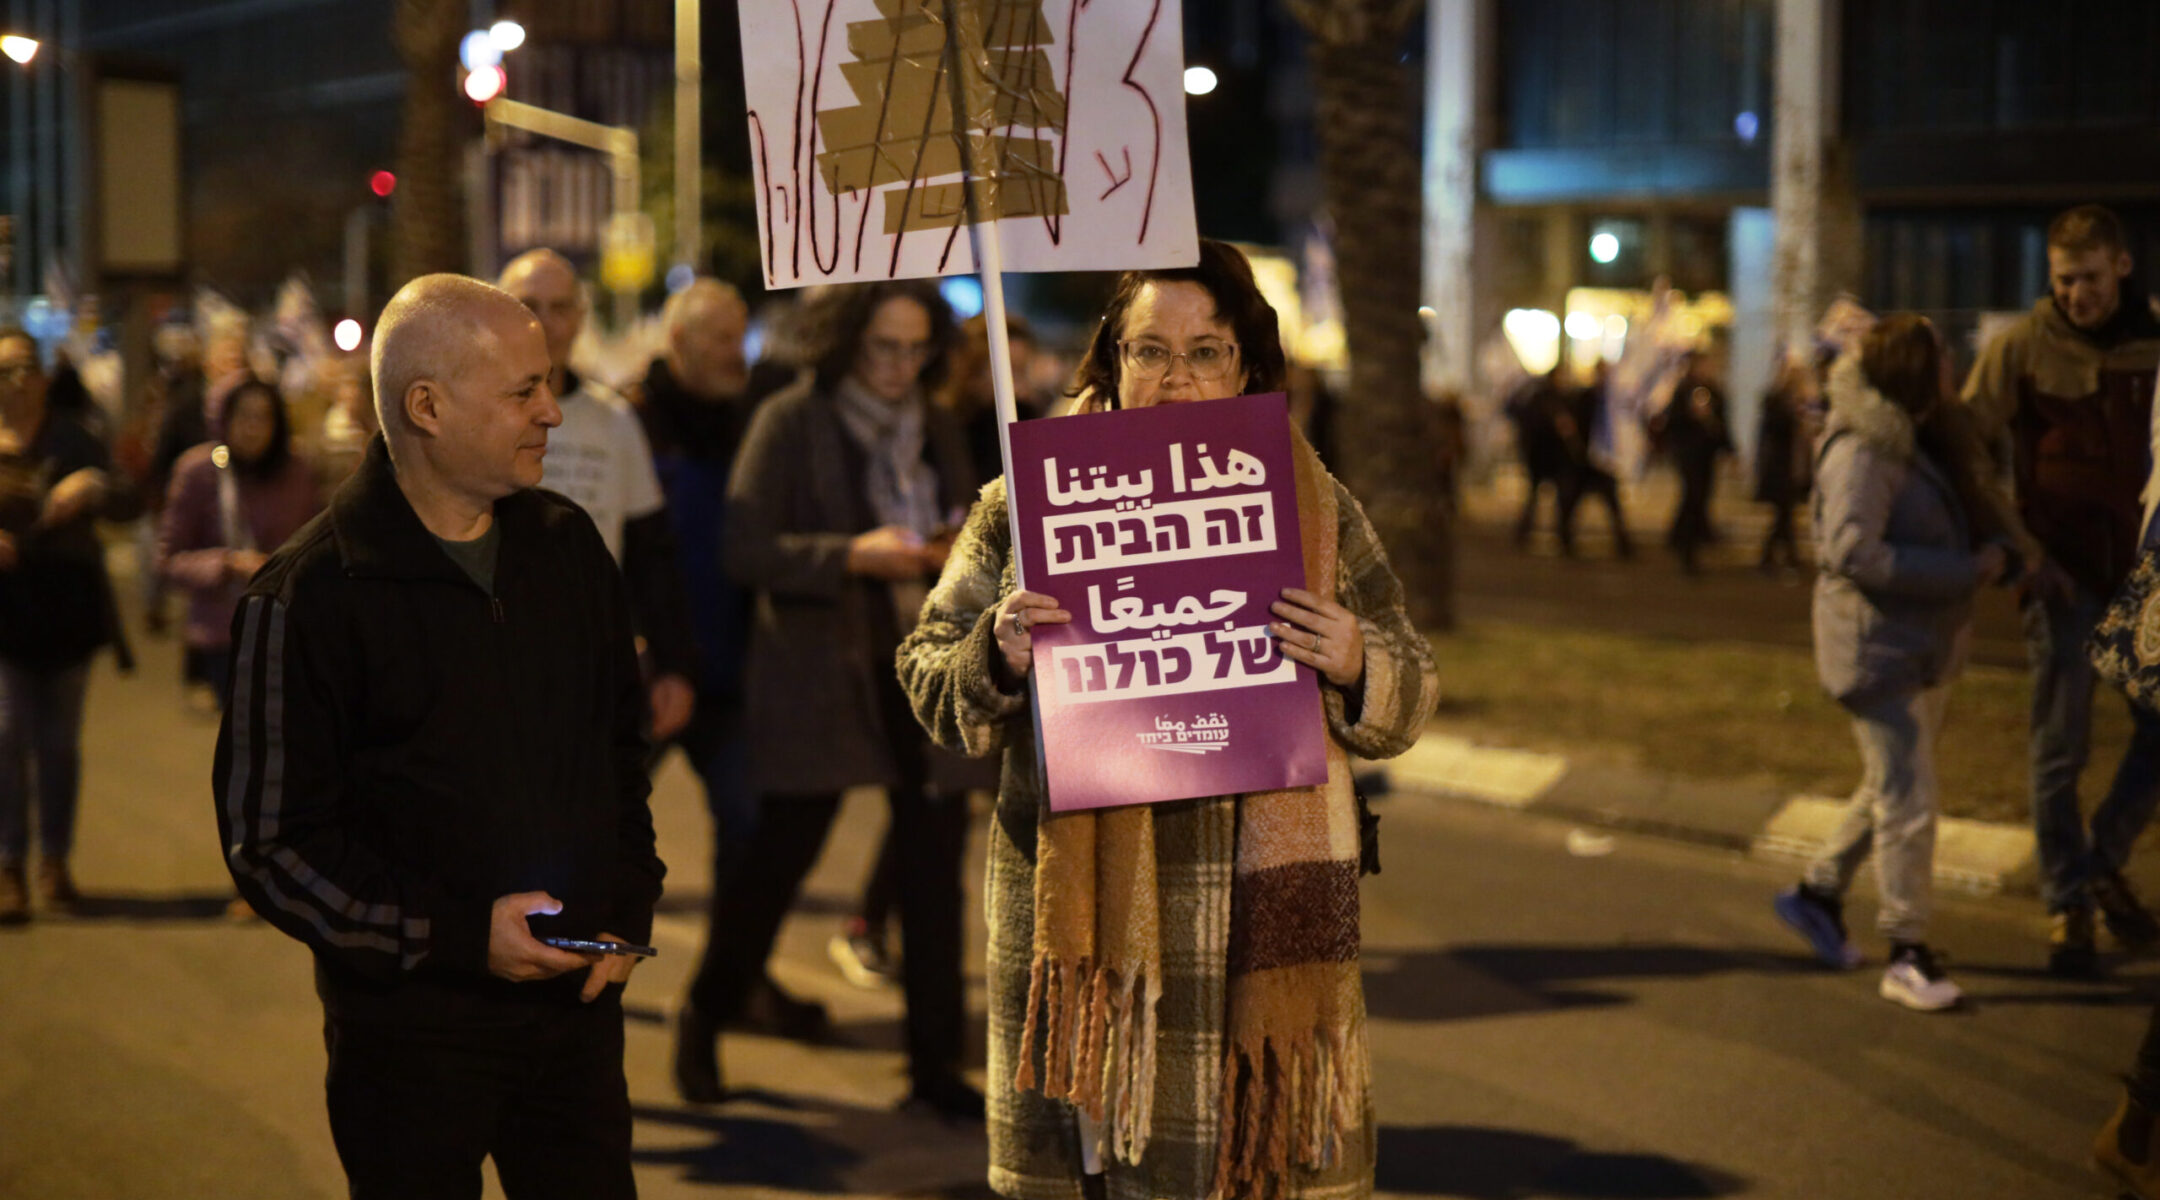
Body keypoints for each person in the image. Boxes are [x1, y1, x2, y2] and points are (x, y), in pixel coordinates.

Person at [897, 239, 1439, 1200]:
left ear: (1248, 369)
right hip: (1091, 959)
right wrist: (996, 651)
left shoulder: (1315, 507)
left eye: (1206, 352)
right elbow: (929, 677)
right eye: (1150, 350)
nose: (1176, 379)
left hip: (1250, 938)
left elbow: (1413, 690)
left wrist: (1357, 660)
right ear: (1110, 361)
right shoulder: (1030, 505)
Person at [213, 274, 664, 1198]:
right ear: (426, 406)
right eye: (522, 392)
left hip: (573, 1021)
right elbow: (271, 846)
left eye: (551, 384)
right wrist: (455, 936)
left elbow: (620, 748)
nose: (554, 413)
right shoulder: (308, 596)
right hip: (410, 1044)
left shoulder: (567, 544)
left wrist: (627, 904)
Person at [675, 279, 983, 1118]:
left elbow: (974, 533)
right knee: (780, 854)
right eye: (885, 346)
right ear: (847, 339)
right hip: (820, 671)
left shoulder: (938, 424)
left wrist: (957, 549)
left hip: (927, 671)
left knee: (931, 870)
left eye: (917, 348)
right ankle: (705, 1015)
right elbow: (745, 548)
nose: (900, 365)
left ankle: (931, 1064)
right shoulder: (793, 421)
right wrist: (851, 555)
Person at [1773, 315, 2013, 1011]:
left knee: (1893, 785)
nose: (1953, 369)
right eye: (1942, 360)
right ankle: (1906, 953)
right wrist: (1964, 570)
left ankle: (1817, 893)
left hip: (1912, 643)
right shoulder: (1865, 449)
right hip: (1874, 649)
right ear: (1916, 373)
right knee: (1910, 799)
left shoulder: (1915, 435)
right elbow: (1852, 552)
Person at [1960, 204, 2160, 976]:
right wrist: (2019, 544)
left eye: (2088, 278)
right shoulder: (2022, 348)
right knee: (2058, 753)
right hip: (2064, 577)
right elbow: (1969, 444)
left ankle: (2099, 861)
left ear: (2122, 266)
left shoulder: (2153, 344)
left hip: (2145, 581)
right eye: (2062, 280)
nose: (2076, 294)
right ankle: (2066, 907)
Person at [497, 249, 696, 750]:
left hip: (590, 664)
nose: (545, 323)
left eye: (560, 307)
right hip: (494, 657)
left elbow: (651, 550)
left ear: (581, 317)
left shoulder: (616, 421)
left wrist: (673, 665)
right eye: (528, 306)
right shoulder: (478, 419)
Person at [0, 328, 137, 923]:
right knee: (6, 738)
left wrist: (94, 485)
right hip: (3, 618)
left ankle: (54, 861)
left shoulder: (73, 438)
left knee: (58, 747)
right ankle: (9, 866)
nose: (18, 380)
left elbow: (129, 502)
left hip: (67, 613)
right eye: (5, 370)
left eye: (27, 367)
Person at [159, 378, 325, 712]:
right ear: (225, 419)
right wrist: (228, 564)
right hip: (225, 635)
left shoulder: (297, 472)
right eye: (244, 416)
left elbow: (319, 544)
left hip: (289, 630)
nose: (253, 428)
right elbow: (166, 561)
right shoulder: (198, 472)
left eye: (264, 417)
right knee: (246, 738)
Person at [1649, 350, 1732, 574]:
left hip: (1706, 454)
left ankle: (1680, 537)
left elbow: (1722, 423)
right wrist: (1691, 415)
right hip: (1688, 454)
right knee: (1692, 497)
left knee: (1700, 497)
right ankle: (1687, 548)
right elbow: (1671, 423)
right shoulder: (1683, 390)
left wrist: (1729, 450)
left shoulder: (1713, 390)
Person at [1557, 358, 1633, 559]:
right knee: (1572, 503)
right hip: (1585, 459)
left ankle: (1623, 544)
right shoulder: (1586, 397)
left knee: (1613, 504)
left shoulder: (1612, 400)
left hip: (1604, 460)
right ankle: (1565, 539)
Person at [1753, 355, 1819, 578]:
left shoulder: (1796, 404)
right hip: (1781, 468)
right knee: (1784, 516)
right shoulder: (1777, 402)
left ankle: (1778, 558)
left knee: (1784, 516)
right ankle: (1780, 558)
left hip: (1792, 467)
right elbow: (1776, 432)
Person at [1503, 365, 1571, 550]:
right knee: (1549, 497)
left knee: (1542, 497)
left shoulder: (1539, 397)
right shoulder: (1548, 400)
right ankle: (1561, 536)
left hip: (1541, 456)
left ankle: (1556, 535)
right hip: (1545, 456)